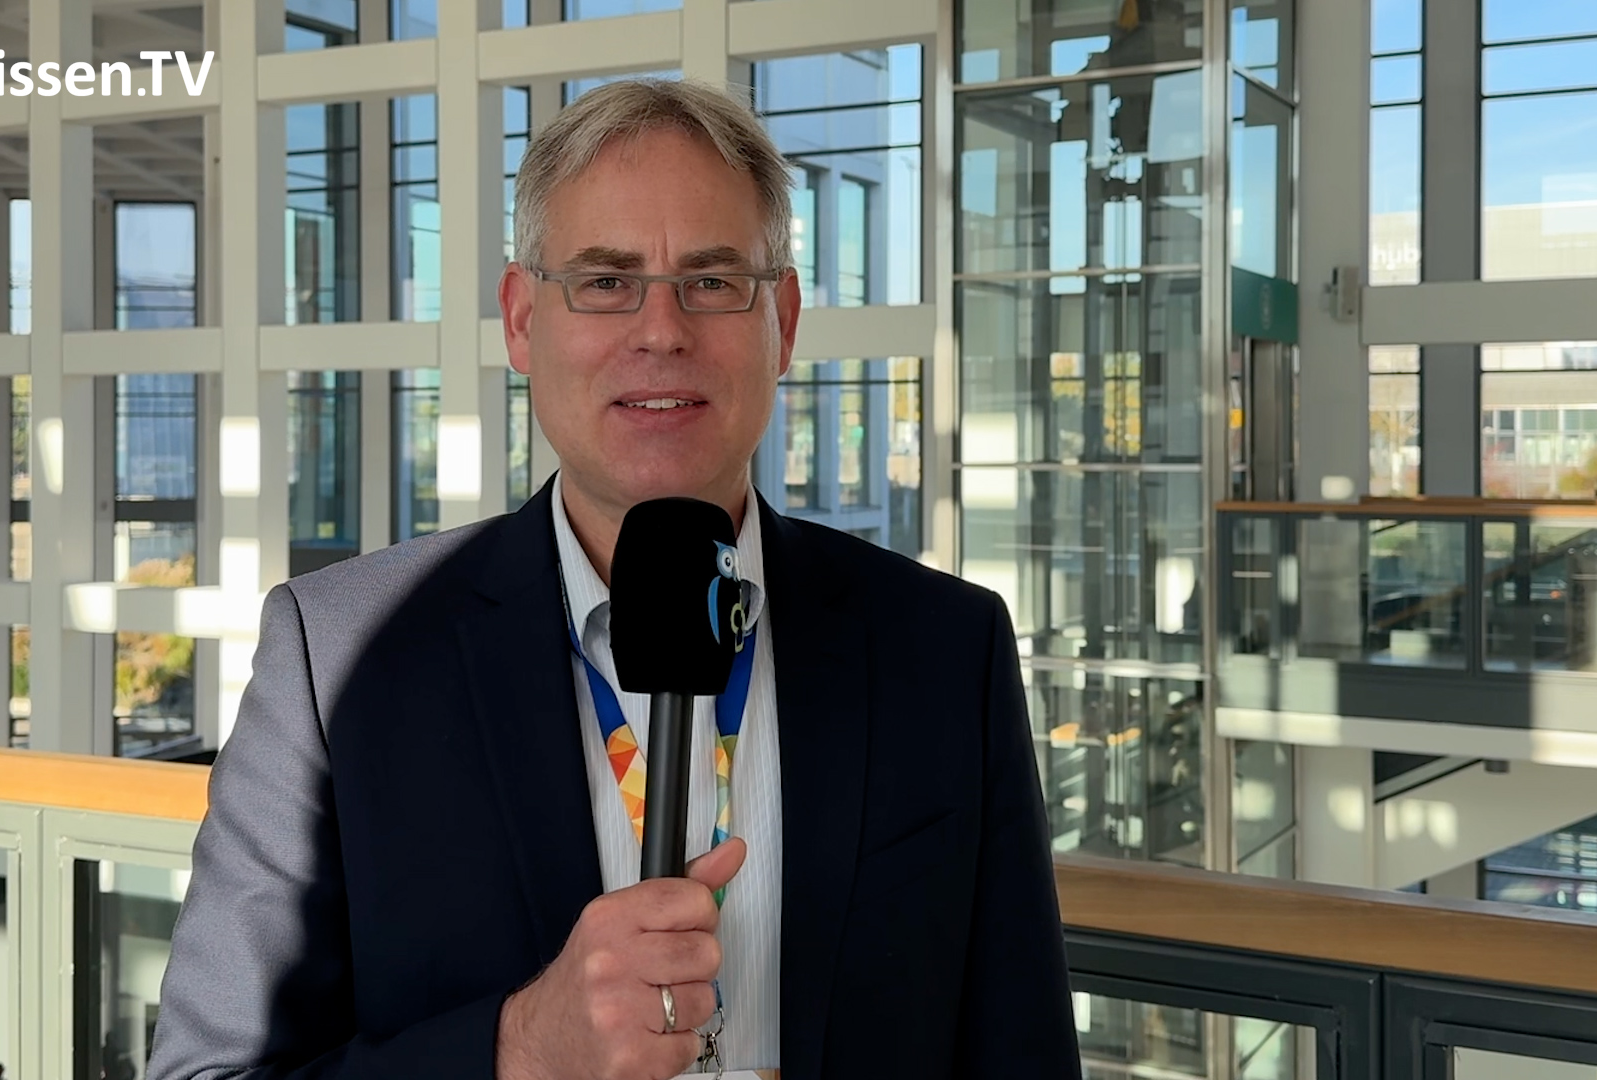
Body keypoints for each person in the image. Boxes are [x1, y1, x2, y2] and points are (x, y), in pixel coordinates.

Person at [148, 77, 1078, 1079]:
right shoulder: (333, 657)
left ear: (784, 320)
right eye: (605, 280)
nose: (662, 330)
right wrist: (521, 1049)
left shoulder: (947, 648)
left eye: (713, 281)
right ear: (521, 320)